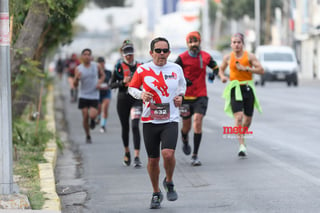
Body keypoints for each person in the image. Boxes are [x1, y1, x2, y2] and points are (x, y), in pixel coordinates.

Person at [128, 37, 186, 209]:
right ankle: (156, 192)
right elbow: (132, 88)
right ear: (151, 52)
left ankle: (169, 181)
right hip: (149, 120)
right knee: (153, 160)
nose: (162, 54)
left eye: (165, 50)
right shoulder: (143, 69)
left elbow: (182, 86)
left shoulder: (176, 69)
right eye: (158, 50)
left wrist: (180, 97)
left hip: (170, 119)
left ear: (169, 52)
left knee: (168, 154)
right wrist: (141, 95)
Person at [175, 31, 219, 166]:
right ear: (187, 44)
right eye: (191, 42)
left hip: (201, 95)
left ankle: (195, 155)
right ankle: (184, 138)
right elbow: (174, 72)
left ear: (199, 42)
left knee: (198, 122)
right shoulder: (181, 58)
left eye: (196, 42)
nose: (194, 44)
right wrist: (183, 80)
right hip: (186, 97)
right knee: (186, 126)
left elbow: (215, 67)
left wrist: (213, 74)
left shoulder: (205, 56)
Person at [218, 33, 264, 156]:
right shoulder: (228, 57)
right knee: (238, 117)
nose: (236, 44)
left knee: (248, 119)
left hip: (248, 88)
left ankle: (242, 134)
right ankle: (242, 145)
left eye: (239, 42)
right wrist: (222, 77)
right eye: (234, 42)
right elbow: (220, 69)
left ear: (242, 44)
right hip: (235, 88)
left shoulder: (249, 56)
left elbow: (261, 70)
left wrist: (247, 69)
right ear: (231, 44)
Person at [110, 40, 143, 167]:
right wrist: (122, 82)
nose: (129, 56)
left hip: (136, 99)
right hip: (123, 99)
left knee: (135, 125)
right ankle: (127, 152)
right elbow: (111, 85)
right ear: (123, 54)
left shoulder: (141, 66)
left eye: (131, 53)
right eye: (126, 53)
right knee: (125, 127)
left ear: (134, 53)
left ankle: (137, 156)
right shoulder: (118, 67)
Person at [73, 48, 105, 144]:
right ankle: (88, 135)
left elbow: (102, 76)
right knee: (85, 116)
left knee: (92, 114)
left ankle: (93, 120)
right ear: (82, 57)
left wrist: (99, 82)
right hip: (83, 95)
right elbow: (75, 85)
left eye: (88, 54)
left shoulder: (96, 66)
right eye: (85, 54)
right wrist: (76, 78)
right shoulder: (78, 69)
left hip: (94, 95)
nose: (87, 56)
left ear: (91, 56)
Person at [96, 57, 112, 133]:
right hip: (97, 93)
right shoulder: (95, 72)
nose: (101, 65)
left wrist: (109, 86)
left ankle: (103, 125)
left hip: (106, 92)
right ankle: (98, 118)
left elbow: (112, 82)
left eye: (102, 63)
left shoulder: (108, 72)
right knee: (98, 109)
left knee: (105, 108)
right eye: (99, 64)